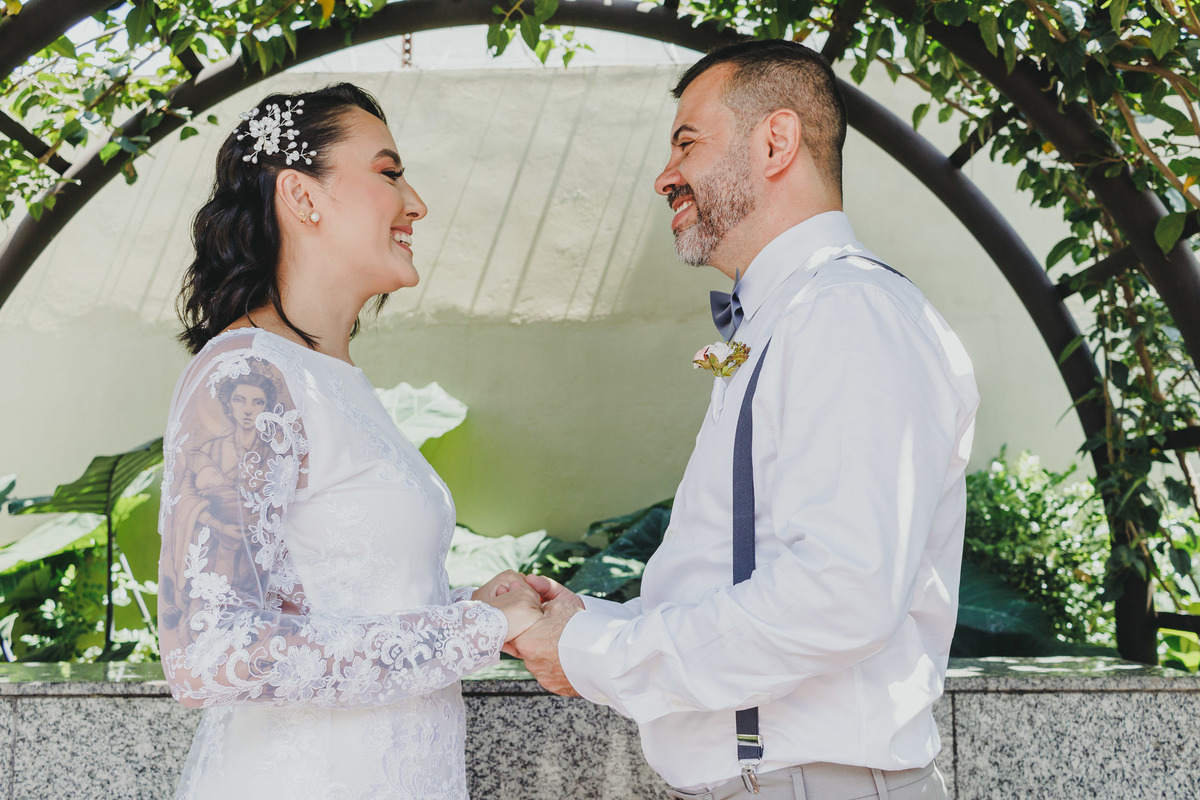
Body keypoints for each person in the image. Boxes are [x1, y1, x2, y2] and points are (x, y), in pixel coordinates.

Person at [509, 40, 980, 800]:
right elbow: (742, 572)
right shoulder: (792, 314)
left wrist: (597, 654)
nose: (665, 175)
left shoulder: (847, 312)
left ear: (776, 141)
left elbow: (840, 592)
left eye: (686, 143)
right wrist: (587, 621)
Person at [157, 83, 543, 800]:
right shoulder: (247, 377)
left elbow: (339, 597)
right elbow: (208, 653)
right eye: (389, 173)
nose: (415, 204)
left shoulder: (329, 378)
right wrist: (471, 630)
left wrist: (473, 605)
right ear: (302, 196)